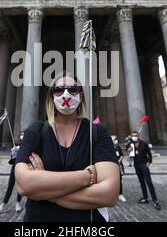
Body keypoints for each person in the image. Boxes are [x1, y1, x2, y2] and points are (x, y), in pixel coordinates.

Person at [15, 74, 119, 222]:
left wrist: (44, 190)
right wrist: (87, 176)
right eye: (58, 90)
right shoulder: (36, 130)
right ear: (51, 96)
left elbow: (109, 194)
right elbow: (24, 184)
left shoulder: (97, 132)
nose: (66, 94)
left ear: (81, 95)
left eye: (73, 89)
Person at [0, 131, 24, 214]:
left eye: (24, 135)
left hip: (22, 168)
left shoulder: (27, 148)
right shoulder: (15, 147)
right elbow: (11, 161)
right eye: (21, 135)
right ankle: (3, 204)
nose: (22, 136)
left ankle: (18, 203)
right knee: (10, 185)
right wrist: (13, 154)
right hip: (14, 168)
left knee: (20, 186)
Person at [132, 131, 161, 210]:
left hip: (143, 164)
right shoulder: (132, 145)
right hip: (136, 165)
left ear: (138, 136)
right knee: (141, 182)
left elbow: (149, 154)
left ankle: (155, 200)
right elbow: (130, 153)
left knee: (148, 181)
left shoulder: (144, 143)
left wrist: (148, 163)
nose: (134, 137)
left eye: (135, 135)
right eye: (133, 136)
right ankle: (145, 198)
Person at [112, 136, 126, 202]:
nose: (115, 140)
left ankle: (120, 194)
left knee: (119, 180)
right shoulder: (108, 148)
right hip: (111, 166)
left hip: (118, 165)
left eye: (115, 139)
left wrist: (119, 161)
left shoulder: (117, 147)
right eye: (114, 139)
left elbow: (122, 155)